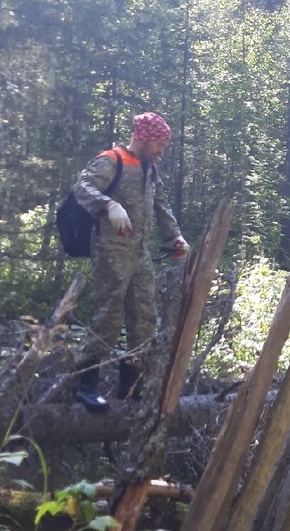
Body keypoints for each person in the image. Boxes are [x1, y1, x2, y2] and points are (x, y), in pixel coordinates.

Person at [70, 111, 190, 411]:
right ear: (144, 138)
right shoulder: (112, 161)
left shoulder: (150, 168)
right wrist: (109, 204)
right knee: (109, 315)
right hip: (110, 251)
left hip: (140, 252)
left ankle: (131, 384)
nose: (161, 151)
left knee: (144, 316)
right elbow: (82, 186)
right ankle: (85, 385)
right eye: (159, 145)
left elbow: (161, 204)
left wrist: (174, 236)